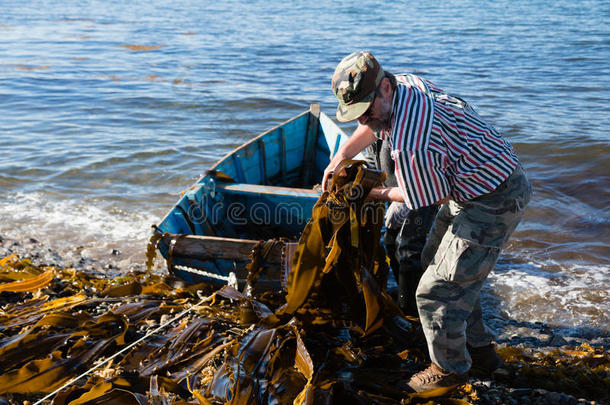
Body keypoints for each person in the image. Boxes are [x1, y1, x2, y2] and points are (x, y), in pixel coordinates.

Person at [324, 51, 532, 392]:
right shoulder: (407, 85)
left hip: (493, 198)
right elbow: (375, 128)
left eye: (366, 110)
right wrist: (341, 157)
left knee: (435, 291)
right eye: (355, 114)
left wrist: (367, 192)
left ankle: (449, 370)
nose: (362, 121)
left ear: (385, 88)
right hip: (477, 178)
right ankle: (480, 352)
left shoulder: (411, 145)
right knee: (439, 264)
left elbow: (426, 197)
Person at [363, 138, 439, 317]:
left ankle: (412, 312)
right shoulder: (372, 127)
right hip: (395, 194)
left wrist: (404, 198)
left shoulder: (403, 127)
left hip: (421, 190)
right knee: (390, 241)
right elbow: (374, 162)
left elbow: (421, 170)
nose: (362, 121)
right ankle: (407, 293)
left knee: (408, 246)